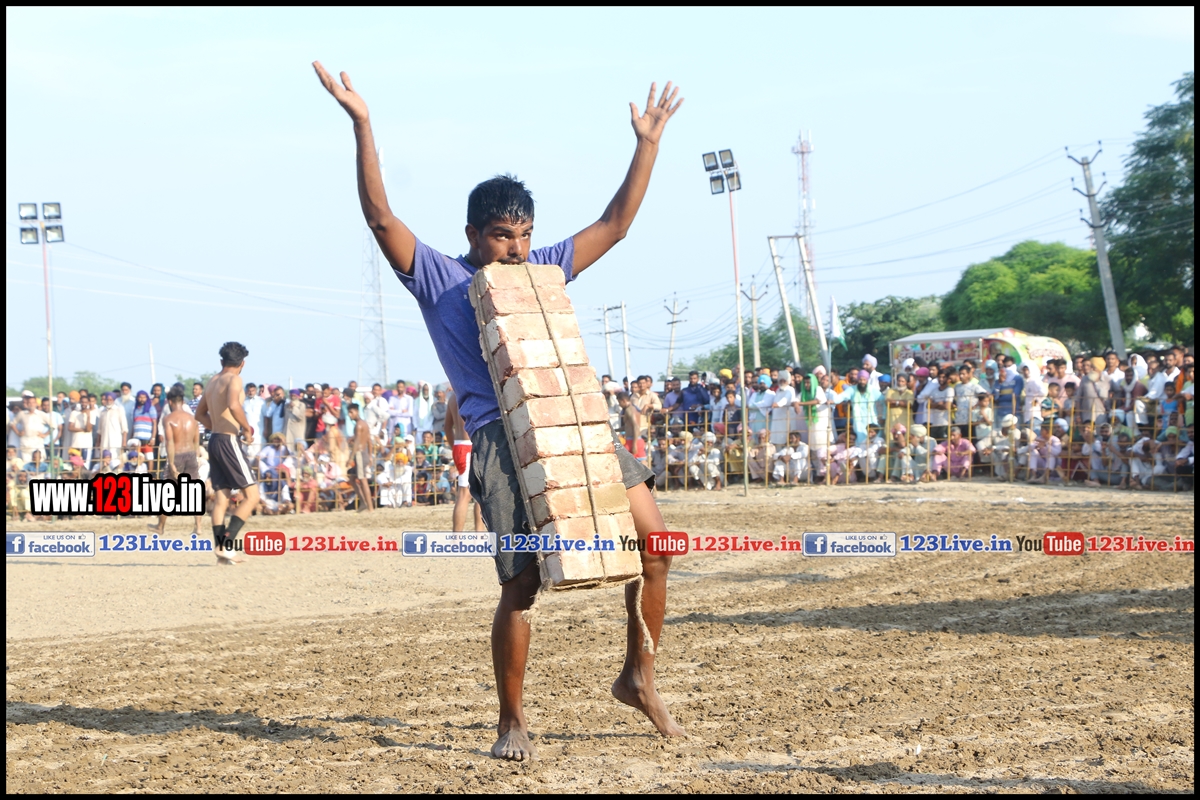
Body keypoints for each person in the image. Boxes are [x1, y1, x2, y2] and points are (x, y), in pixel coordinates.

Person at [317, 61, 685, 758]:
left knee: (659, 546)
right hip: (497, 436)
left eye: (522, 235)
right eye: (500, 236)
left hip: (571, 420)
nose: (514, 249)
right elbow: (380, 216)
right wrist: (364, 124)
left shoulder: (544, 268)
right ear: (472, 234)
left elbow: (615, 225)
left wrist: (648, 145)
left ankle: (639, 676)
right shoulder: (439, 278)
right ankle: (511, 720)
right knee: (521, 582)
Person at [194, 342, 260, 564]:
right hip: (229, 441)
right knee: (252, 496)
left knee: (222, 497)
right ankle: (226, 544)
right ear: (243, 363)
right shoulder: (235, 379)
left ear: (222, 361)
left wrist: (217, 426)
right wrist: (246, 428)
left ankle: (220, 551)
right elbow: (233, 405)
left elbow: (199, 414)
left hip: (214, 440)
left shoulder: (213, 381)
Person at [149, 387, 204, 537]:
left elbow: (170, 442)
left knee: (167, 492)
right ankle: (198, 526)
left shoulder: (169, 419)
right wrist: (197, 457)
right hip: (191, 455)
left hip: (177, 455)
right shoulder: (192, 418)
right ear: (183, 400)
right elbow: (196, 441)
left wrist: (172, 464)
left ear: (170, 401)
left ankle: (160, 527)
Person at [445, 392, 484, 532]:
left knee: (466, 493)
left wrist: (454, 446)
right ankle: (474, 535)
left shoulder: (452, 397)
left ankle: (460, 537)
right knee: (471, 494)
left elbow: (447, 427)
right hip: (469, 445)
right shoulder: (469, 391)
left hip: (459, 445)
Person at [347, 403, 374, 512]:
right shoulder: (364, 424)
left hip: (360, 454)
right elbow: (369, 440)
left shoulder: (358, 425)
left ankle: (370, 508)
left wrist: (350, 457)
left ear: (357, 412)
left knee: (363, 481)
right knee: (352, 479)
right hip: (364, 453)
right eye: (349, 413)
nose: (349, 415)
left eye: (351, 412)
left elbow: (357, 442)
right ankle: (363, 503)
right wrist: (370, 455)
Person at [96, 392, 129, 463]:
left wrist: (124, 442)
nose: (108, 401)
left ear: (114, 400)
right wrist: (98, 442)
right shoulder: (102, 412)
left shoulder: (119, 410)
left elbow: (125, 428)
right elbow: (99, 430)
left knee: (115, 458)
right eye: (107, 399)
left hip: (115, 440)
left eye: (110, 400)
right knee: (104, 458)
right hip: (104, 440)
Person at [243, 382, 266, 460]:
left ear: (256, 391)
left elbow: (266, 416)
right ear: (246, 391)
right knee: (247, 453)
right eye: (249, 391)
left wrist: (266, 429)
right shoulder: (243, 402)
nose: (251, 392)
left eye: (252, 391)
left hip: (259, 432)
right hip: (246, 431)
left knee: (259, 454)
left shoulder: (261, 401)